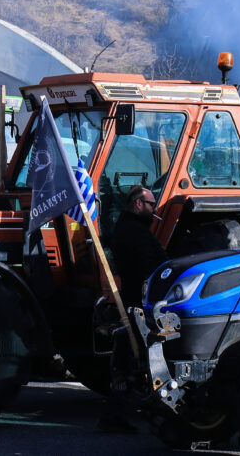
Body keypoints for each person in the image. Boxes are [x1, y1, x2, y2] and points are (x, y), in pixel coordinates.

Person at [97, 185, 169, 434]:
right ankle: (116, 413)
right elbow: (149, 269)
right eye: (151, 204)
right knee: (133, 360)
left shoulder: (127, 229)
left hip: (134, 302)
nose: (155, 209)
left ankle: (116, 412)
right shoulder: (134, 232)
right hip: (141, 304)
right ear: (138, 204)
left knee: (130, 359)